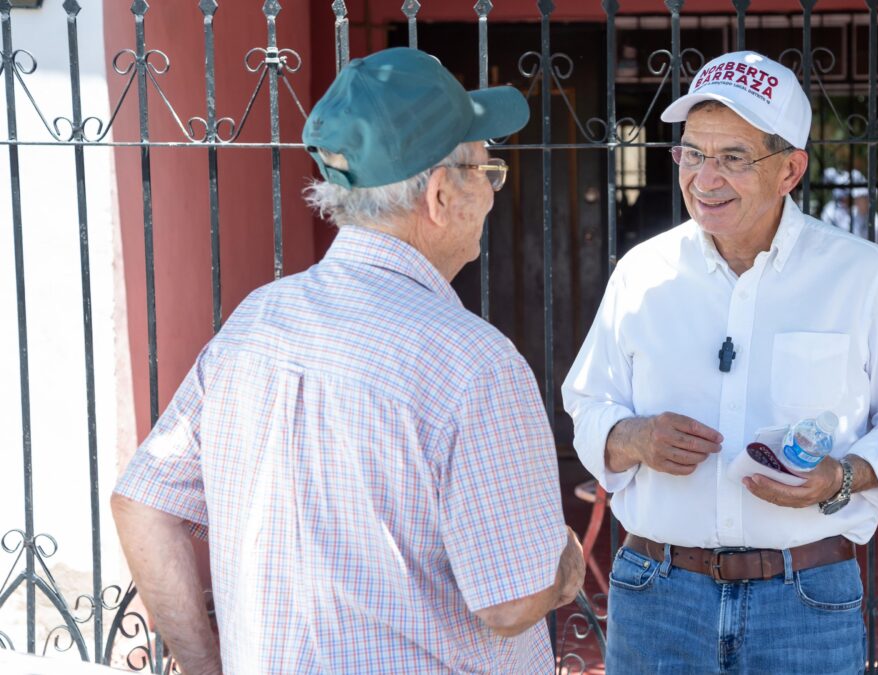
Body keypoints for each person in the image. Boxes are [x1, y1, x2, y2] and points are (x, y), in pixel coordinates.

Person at [111, 47, 584, 675]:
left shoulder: (256, 322)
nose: (493, 195)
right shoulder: (474, 362)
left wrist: (204, 666)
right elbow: (512, 602)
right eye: (487, 172)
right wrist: (566, 564)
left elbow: (142, 504)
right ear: (441, 195)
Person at [563, 50, 878, 674]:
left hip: (805, 598)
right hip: (656, 594)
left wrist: (843, 477)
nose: (704, 178)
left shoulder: (860, 277)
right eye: (692, 153)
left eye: (734, 158)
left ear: (790, 170)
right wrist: (633, 437)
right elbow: (587, 403)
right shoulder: (641, 274)